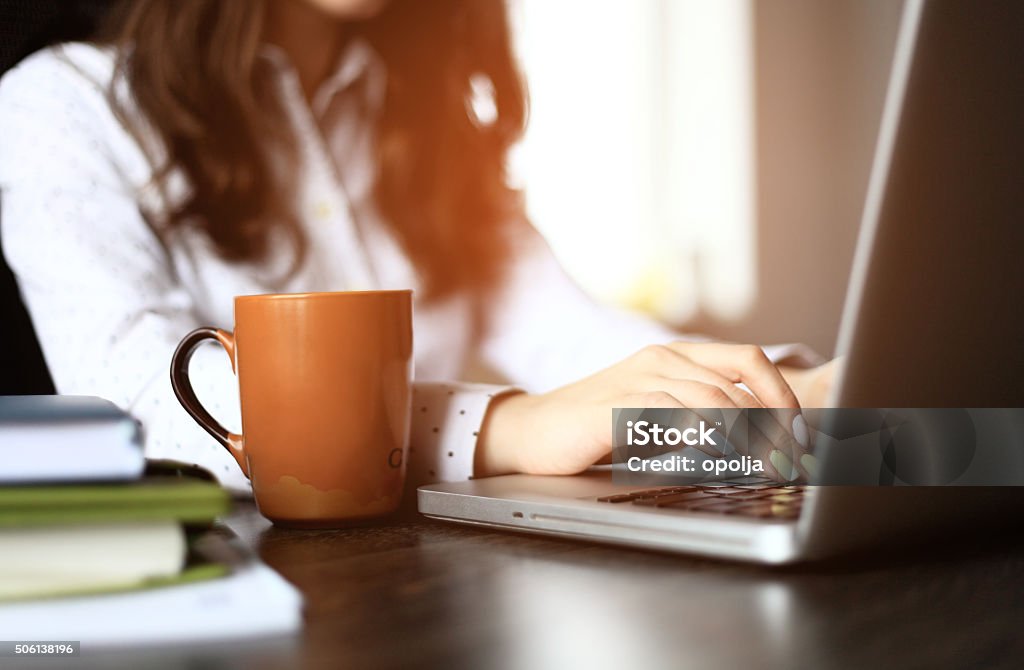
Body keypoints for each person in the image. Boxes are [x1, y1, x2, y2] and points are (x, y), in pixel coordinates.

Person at [0, 0, 833, 495]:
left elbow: (570, 338)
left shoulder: (422, 120)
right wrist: (507, 427)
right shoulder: (61, 110)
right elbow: (141, 400)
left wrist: (786, 392)